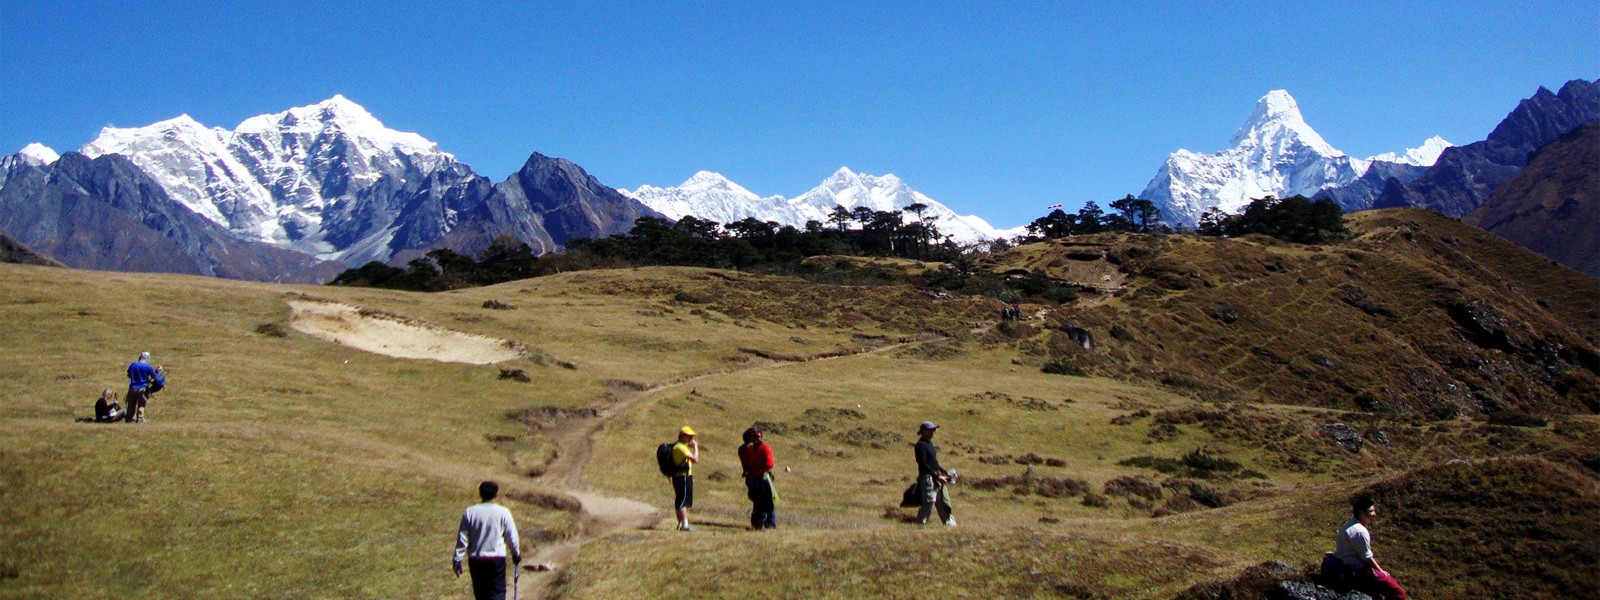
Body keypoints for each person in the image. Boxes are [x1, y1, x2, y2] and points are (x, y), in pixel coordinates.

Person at [1321, 495, 1407, 600]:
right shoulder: (1360, 531)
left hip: (1343, 562)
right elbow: (1366, 557)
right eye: (1371, 511)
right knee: (1398, 592)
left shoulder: (1349, 525)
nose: (1374, 514)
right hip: (1355, 568)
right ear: (1361, 513)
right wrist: (1381, 571)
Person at [453, 481, 522, 600]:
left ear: (480, 494)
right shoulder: (503, 512)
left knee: (481, 595)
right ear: (496, 495)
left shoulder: (470, 512)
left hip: (476, 559)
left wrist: (458, 558)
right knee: (497, 593)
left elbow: (463, 536)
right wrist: (516, 553)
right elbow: (511, 536)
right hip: (496, 560)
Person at [913, 421, 956, 526]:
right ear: (923, 431)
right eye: (931, 430)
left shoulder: (929, 444)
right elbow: (923, 464)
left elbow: (934, 462)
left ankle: (950, 525)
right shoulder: (920, 445)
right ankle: (921, 524)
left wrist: (944, 472)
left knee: (943, 502)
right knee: (929, 502)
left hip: (937, 476)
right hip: (928, 478)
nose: (933, 432)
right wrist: (936, 476)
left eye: (934, 429)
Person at [738, 427, 777, 530]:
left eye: (757, 437)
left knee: (763, 502)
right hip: (758, 478)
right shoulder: (756, 449)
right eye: (754, 437)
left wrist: (757, 471)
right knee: (762, 502)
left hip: (758, 478)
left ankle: (764, 524)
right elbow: (767, 464)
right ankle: (763, 524)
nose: (756, 439)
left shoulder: (760, 449)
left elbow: (769, 464)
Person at [670, 426, 700, 531]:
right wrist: (696, 447)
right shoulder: (680, 447)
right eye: (689, 436)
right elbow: (695, 459)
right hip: (683, 476)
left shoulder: (678, 446)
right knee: (682, 501)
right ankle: (684, 525)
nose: (691, 439)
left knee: (680, 500)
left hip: (679, 476)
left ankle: (681, 523)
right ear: (682, 436)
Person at [125, 352, 156, 423]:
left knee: (131, 405)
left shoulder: (133, 365)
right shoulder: (148, 367)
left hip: (132, 387)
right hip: (143, 388)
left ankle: (130, 419)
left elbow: (129, 375)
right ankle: (140, 419)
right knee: (141, 404)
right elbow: (153, 378)